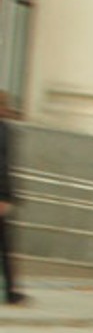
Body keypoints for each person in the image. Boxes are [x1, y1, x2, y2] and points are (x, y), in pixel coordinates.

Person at [0, 91, 21, 306]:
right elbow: (3, 165)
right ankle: (11, 291)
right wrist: (5, 196)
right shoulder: (3, 130)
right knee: (5, 246)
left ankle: (12, 290)